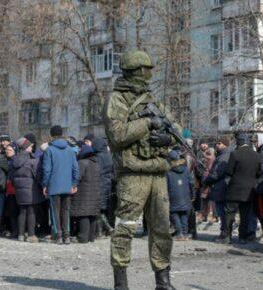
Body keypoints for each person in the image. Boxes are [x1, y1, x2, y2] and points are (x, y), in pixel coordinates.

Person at [103, 49, 178, 290]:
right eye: (145, 70)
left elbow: (177, 129)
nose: (148, 74)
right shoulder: (117, 99)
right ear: (135, 71)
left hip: (157, 172)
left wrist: (167, 139)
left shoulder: (153, 100)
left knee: (162, 229)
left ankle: (163, 280)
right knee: (125, 228)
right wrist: (147, 123)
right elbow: (117, 135)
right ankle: (121, 283)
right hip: (133, 173)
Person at [220, 133, 261, 244]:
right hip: (249, 191)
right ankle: (242, 237)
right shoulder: (257, 155)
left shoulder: (235, 154)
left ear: (239, 142)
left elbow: (229, 171)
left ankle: (227, 236)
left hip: (234, 189)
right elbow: (259, 173)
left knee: (229, 214)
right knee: (245, 215)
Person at [42, 125, 79, 245]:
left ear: (51, 135)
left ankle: (58, 236)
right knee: (66, 211)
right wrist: (74, 183)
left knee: (55, 211)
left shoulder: (49, 150)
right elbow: (75, 169)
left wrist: (45, 184)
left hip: (54, 185)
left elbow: (47, 170)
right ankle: (67, 236)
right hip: (67, 185)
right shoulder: (70, 150)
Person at [12, 138, 44, 243]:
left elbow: (11, 177)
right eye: (30, 146)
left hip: (19, 191)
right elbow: (38, 176)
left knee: (22, 212)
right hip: (31, 190)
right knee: (31, 212)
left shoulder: (15, 160)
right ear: (26, 147)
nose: (32, 147)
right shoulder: (32, 161)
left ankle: (21, 235)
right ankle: (31, 234)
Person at [71, 145, 101, 243]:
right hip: (95, 193)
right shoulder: (96, 164)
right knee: (92, 215)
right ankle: (91, 237)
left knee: (83, 215)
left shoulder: (82, 163)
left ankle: (83, 237)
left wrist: (73, 185)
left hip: (83, 193)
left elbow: (77, 177)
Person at [203, 136, 231, 241]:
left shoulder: (224, 156)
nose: (216, 145)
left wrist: (207, 180)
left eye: (219, 143)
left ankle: (224, 234)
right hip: (222, 187)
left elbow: (217, 173)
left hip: (221, 187)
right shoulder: (223, 155)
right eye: (216, 143)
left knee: (222, 213)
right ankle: (224, 233)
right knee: (223, 213)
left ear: (225, 144)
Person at [167, 150, 194, 241]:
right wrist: (192, 194)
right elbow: (191, 183)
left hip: (173, 195)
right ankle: (185, 234)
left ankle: (179, 234)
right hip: (185, 195)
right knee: (183, 214)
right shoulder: (186, 169)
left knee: (174, 213)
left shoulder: (168, 171)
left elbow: (165, 185)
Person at [92, 138, 116, 237]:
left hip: (99, 184)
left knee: (98, 208)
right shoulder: (110, 156)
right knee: (107, 209)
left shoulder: (97, 157)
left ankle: (103, 229)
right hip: (109, 184)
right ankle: (107, 229)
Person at [4, 143, 18, 239]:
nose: (7, 151)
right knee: (11, 211)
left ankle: (15, 231)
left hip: (14, 188)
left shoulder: (14, 161)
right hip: (9, 189)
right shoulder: (6, 160)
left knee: (14, 211)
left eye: (9, 150)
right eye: (7, 150)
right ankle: (13, 230)